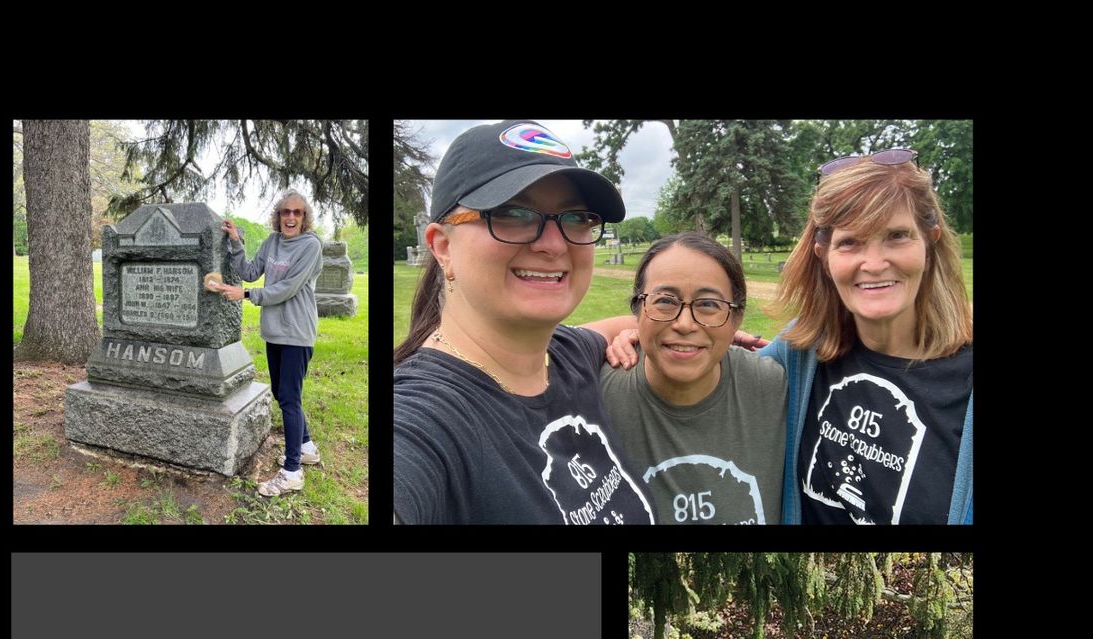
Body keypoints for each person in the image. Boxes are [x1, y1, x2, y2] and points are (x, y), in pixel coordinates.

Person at [393, 120, 654, 525]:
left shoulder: (566, 355)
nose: (553, 244)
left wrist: (671, 332)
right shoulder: (426, 417)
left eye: (576, 217)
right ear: (442, 247)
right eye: (513, 213)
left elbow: (613, 326)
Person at [759, 151, 972, 524]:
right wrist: (624, 330)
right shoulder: (802, 352)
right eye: (850, 242)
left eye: (897, 236)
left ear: (930, 241)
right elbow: (711, 373)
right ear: (823, 254)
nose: (873, 264)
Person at [587, 233, 787, 524]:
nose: (684, 324)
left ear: (737, 318)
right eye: (665, 301)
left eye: (708, 305)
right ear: (638, 309)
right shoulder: (591, 396)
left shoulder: (777, 388)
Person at [215, 191, 323, 497]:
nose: (290, 217)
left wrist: (247, 296)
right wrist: (236, 241)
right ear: (278, 216)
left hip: (297, 332)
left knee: (289, 398)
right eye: (285, 212)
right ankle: (306, 448)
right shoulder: (272, 242)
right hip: (274, 331)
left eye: (297, 213)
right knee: (283, 393)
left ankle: (292, 472)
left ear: (304, 218)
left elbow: (287, 288)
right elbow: (249, 272)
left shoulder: (310, 245)